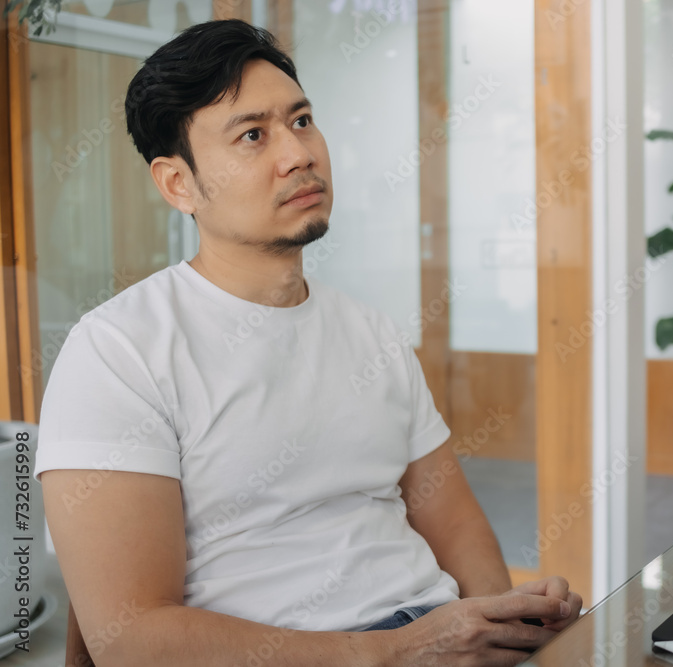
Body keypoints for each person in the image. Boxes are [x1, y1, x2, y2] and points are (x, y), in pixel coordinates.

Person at [34, 18, 582, 666]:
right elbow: (134, 638)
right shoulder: (119, 352)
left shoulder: (370, 331)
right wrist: (400, 650)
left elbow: (457, 525)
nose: (298, 153)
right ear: (178, 184)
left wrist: (501, 626)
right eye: (252, 135)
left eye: (301, 120)